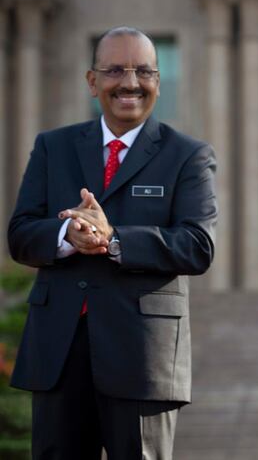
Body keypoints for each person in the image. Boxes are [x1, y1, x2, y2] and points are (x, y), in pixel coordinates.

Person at [8, 26, 217, 459]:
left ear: (158, 81)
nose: (130, 82)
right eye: (115, 70)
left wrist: (114, 238)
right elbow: (21, 233)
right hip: (58, 353)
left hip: (142, 356)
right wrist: (67, 235)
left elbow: (197, 245)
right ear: (92, 81)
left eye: (144, 71)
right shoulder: (54, 147)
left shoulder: (188, 155)